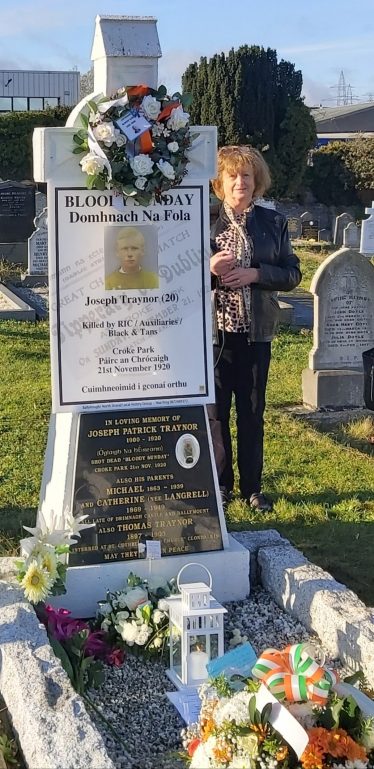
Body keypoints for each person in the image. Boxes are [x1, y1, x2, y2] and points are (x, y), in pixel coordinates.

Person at [210, 145, 301, 512]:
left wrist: (257, 274)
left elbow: (293, 273)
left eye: (246, 175)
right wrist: (209, 268)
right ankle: (221, 486)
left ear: (256, 181)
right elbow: (176, 274)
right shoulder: (202, 221)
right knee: (216, 415)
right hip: (213, 337)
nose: (240, 182)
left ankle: (252, 488)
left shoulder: (272, 224)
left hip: (254, 336)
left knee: (251, 413)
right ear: (221, 182)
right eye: (232, 175)